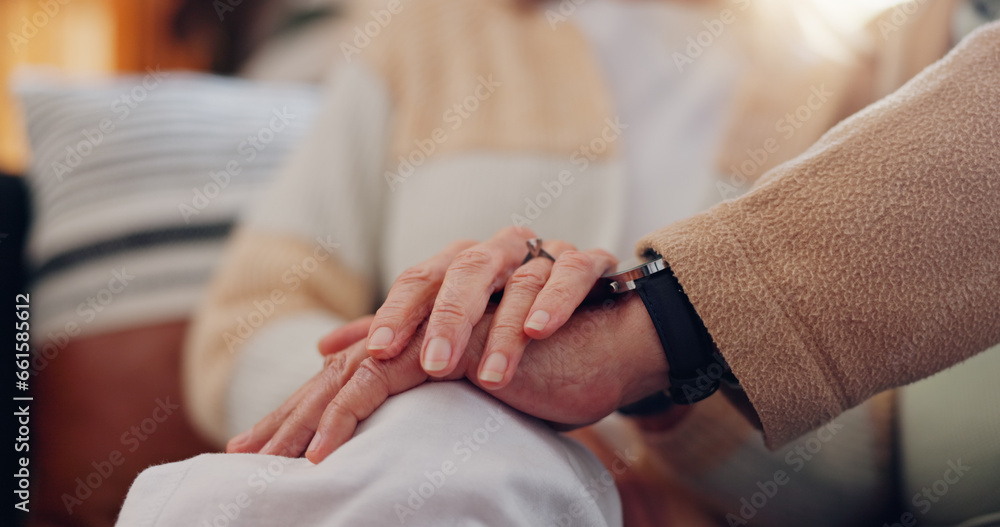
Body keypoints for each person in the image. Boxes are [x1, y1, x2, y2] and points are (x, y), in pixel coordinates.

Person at [119, 1, 997, 525]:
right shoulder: (423, 33)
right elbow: (249, 322)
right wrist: (431, 378)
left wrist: (643, 414)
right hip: (385, 466)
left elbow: (857, 471)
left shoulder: (883, 52)